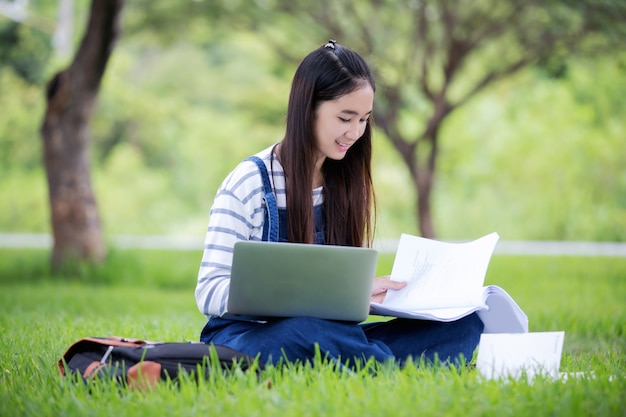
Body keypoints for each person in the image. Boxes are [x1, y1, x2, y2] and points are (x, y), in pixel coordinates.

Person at [195, 40, 483, 367]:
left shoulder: (343, 181)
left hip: (330, 335)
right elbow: (208, 291)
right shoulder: (249, 182)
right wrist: (301, 300)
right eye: (345, 118)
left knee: (463, 325)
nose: (355, 132)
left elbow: (336, 309)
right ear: (308, 109)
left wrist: (359, 296)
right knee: (305, 333)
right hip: (249, 336)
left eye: (364, 120)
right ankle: (382, 364)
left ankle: (362, 360)